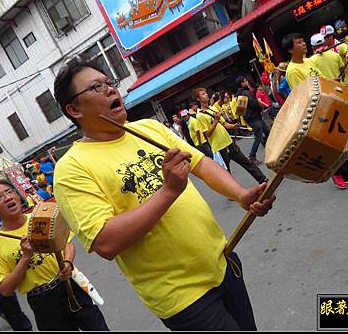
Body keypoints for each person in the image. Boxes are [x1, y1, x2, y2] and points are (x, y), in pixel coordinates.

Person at [52, 55, 276, 330]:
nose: (111, 89)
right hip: (182, 296)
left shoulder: (149, 128)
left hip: (222, 261)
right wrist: (168, 191)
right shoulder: (71, 169)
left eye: (109, 82)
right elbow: (106, 242)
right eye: (96, 87)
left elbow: (201, 163)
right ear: (74, 109)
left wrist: (240, 194)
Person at [0, 179, 109, 331]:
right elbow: (4, 290)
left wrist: (67, 263)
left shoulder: (41, 218)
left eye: (9, 192)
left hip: (70, 283)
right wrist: (25, 257)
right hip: (42, 301)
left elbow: (67, 244)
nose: (8, 197)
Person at [282, 32, 348, 189]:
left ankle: (347, 173)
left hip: (327, 106)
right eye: (299, 43)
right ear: (290, 50)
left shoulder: (308, 61)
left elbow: (321, 80)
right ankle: (336, 175)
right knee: (327, 145)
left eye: (303, 41)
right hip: (316, 111)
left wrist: (335, 83)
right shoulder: (292, 70)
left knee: (338, 141)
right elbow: (304, 94)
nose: (303, 44)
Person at [194, 87, 268, 183]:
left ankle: (262, 179)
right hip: (219, 148)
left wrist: (234, 126)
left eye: (205, 93)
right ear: (198, 99)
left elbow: (224, 124)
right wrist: (216, 120)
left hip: (228, 142)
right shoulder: (200, 115)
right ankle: (234, 191)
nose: (206, 95)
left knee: (246, 162)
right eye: (203, 94)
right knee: (226, 173)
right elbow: (207, 134)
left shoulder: (213, 108)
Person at [236, 76, 270, 165]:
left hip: (250, 118)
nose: (247, 82)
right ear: (242, 83)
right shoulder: (245, 93)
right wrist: (260, 108)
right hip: (253, 117)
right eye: (245, 81)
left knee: (266, 131)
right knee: (258, 137)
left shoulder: (239, 94)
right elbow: (253, 103)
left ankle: (270, 147)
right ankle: (252, 156)